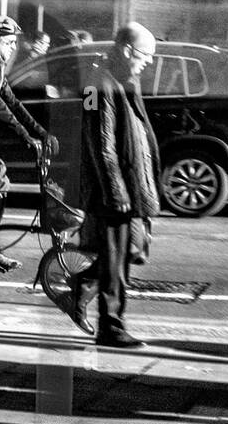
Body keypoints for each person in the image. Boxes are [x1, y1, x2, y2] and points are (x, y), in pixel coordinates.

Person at [68, 23, 160, 348]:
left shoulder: (123, 81)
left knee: (128, 251)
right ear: (125, 50)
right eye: (144, 55)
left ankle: (82, 289)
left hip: (129, 188)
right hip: (113, 192)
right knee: (116, 262)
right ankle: (112, 327)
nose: (148, 62)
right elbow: (101, 143)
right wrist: (115, 190)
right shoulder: (99, 85)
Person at [0, 14, 59, 272]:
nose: (14, 47)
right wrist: (25, 138)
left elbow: (12, 102)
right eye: (9, 42)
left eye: (15, 43)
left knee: (2, 184)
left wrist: (41, 133)